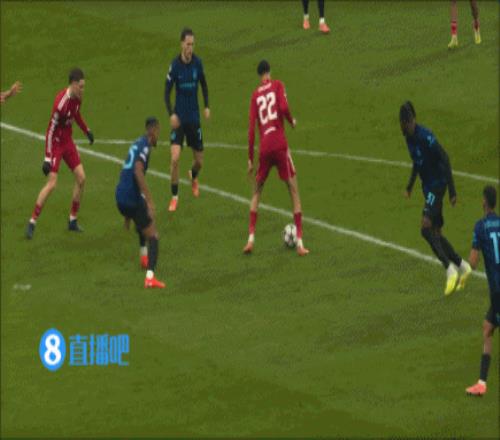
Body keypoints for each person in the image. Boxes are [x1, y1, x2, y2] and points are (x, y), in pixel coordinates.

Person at [400, 101, 471, 295]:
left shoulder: (426, 137)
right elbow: (417, 162)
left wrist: (452, 191)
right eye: (402, 124)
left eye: (406, 123)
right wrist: (410, 186)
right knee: (436, 233)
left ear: (412, 121)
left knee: (425, 227)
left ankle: (449, 269)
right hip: (428, 188)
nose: (404, 127)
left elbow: (445, 158)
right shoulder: (409, 139)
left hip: (437, 185)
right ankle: (462, 266)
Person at [244, 60, 309, 257]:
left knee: (257, 193)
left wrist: (250, 158)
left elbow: (251, 129)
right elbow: (283, 107)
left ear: (259, 75)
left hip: (264, 148)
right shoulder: (278, 85)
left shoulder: (255, 95)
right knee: (294, 191)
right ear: (269, 72)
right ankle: (300, 244)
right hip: (280, 145)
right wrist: (291, 121)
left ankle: (250, 239)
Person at [26, 68, 94, 239]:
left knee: (81, 178)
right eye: (81, 86)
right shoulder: (60, 103)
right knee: (52, 184)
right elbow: (50, 130)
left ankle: (72, 220)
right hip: (56, 144)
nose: (83, 90)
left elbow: (76, 114)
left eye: (84, 86)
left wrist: (86, 130)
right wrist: (47, 157)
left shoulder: (78, 98)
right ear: (73, 84)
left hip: (67, 142)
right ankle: (32, 221)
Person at [115, 117, 166, 289]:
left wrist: (127, 215)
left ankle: (144, 257)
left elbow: (126, 171)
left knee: (141, 212)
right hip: (131, 198)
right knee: (154, 236)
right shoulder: (145, 147)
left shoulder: (136, 143)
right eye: (158, 131)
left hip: (121, 196)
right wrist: (150, 201)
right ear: (153, 131)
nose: (158, 135)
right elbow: (137, 171)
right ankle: (150, 278)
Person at [164, 27, 210, 212]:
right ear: (182, 44)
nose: (190, 48)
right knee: (175, 159)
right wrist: (171, 114)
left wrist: (207, 106)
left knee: (199, 161)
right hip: (179, 120)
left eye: (192, 44)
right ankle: (174, 197)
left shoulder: (197, 63)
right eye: (188, 44)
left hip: (194, 119)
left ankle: (193, 175)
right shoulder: (175, 66)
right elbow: (166, 93)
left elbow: (204, 85)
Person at [465, 186, 500, 396]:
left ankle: (481, 384)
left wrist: (459, 264)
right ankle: (481, 383)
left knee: (489, 328)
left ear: (484, 201)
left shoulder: (480, 227)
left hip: (498, 290)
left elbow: (473, 263)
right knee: (488, 328)